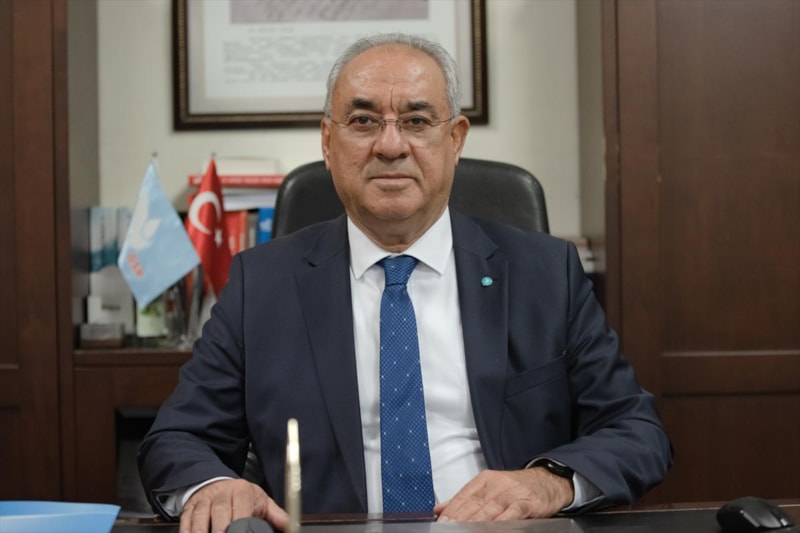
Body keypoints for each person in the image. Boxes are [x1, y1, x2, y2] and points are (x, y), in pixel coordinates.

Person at [138, 33, 673, 533]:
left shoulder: (544, 272)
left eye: (417, 121)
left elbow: (636, 430)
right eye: (363, 121)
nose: (390, 146)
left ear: (455, 139)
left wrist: (548, 483)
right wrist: (215, 487)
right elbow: (177, 438)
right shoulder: (263, 283)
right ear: (328, 141)